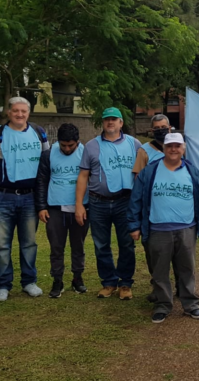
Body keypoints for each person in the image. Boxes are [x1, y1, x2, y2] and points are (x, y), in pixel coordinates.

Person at [128, 133, 199, 323]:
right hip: (158, 229)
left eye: (177, 146)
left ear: (183, 149)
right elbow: (136, 199)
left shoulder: (193, 171)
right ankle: (162, 305)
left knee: (186, 269)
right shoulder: (150, 172)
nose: (173, 149)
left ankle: (191, 304)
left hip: (187, 229)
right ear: (164, 149)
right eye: (169, 146)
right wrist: (134, 225)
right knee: (159, 270)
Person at [0, 97, 49, 301]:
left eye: (23, 111)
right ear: (9, 112)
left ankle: (29, 281)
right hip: (2, 197)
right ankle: (3, 285)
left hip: (30, 198)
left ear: (28, 113)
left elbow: (47, 163)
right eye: (15, 111)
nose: (19, 114)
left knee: (29, 243)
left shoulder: (39, 132)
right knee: (2, 245)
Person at [75, 107, 142, 300]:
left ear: (121, 122)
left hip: (125, 202)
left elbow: (141, 173)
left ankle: (125, 283)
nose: (110, 122)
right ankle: (109, 282)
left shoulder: (134, 144)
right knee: (101, 244)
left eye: (114, 119)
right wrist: (79, 204)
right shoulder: (91, 146)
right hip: (98, 203)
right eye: (106, 120)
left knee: (127, 243)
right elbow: (83, 176)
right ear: (102, 123)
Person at [35, 123, 89, 298]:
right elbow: (42, 181)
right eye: (63, 145)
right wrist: (42, 207)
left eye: (71, 146)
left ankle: (77, 278)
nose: (66, 149)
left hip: (80, 208)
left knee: (78, 245)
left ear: (77, 141)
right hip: (55, 208)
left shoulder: (86, 153)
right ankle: (57, 280)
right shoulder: (48, 154)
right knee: (56, 247)